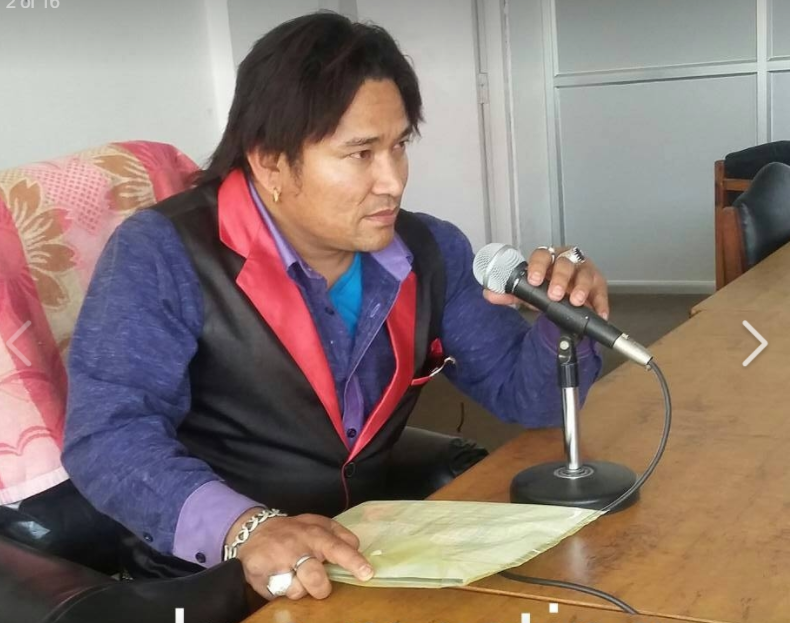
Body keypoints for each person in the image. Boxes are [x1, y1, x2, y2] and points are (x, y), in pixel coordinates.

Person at [62, 12, 606, 602]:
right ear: (270, 160)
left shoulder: (430, 249)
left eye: (399, 146)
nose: (393, 181)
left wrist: (565, 319)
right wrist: (247, 529)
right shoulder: (162, 253)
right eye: (361, 153)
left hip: (367, 558)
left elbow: (528, 398)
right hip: (219, 580)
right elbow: (107, 437)